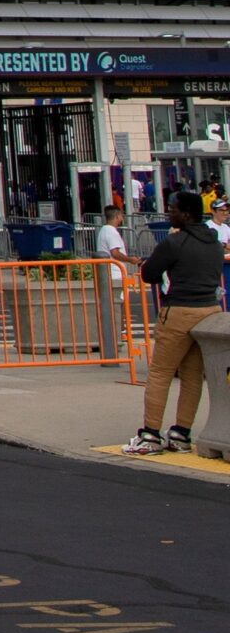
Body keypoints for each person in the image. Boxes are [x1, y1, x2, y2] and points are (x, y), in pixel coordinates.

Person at [124, 190, 223, 455]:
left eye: (173, 209)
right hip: (209, 312)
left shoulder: (175, 242)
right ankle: (181, 433)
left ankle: (150, 435)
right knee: (192, 375)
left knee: (160, 373)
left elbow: (149, 273)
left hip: (179, 310)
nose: (169, 213)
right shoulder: (214, 242)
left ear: (186, 214)